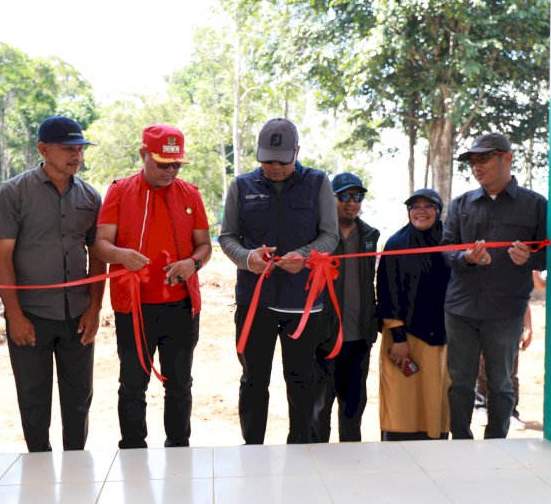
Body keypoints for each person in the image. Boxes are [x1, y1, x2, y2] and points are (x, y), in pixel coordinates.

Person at [219, 117, 339, 444]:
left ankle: (300, 447)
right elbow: (227, 236)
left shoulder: (317, 183)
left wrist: (306, 254)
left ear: (296, 152)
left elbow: (330, 235)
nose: (273, 167)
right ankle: (252, 446)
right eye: (267, 160)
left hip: (303, 303)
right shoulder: (241, 186)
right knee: (253, 379)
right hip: (254, 301)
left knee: (301, 378)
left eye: (282, 161)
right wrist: (247, 259)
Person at [92, 124, 211, 449]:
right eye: (162, 163)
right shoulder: (119, 191)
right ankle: (132, 449)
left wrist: (192, 264)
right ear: (143, 154)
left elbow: (204, 246)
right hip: (133, 308)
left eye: (176, 164)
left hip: (181, 306)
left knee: (180, 384)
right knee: (132, 383)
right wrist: (121, 255)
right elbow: (101, 244)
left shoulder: (191, 194)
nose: (170, 171)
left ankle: (178, 446)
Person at [0, 115, 104, 452]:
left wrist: (95, 308)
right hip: (31, 316)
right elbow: (2, 259)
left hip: (78, 316)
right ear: (43, 149)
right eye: (68, 149)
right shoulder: (13, 193)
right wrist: (15, 316)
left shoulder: (91, 197)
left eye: (80, 149)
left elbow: (98, 257)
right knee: (33, 399)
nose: (77, 156)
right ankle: (39, 464)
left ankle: (76, 464)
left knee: (79, 398)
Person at [442, 132, 547, 440]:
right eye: (472, 161)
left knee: (501, 383)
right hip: (460, 310)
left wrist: (529, 258)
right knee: (460, 382)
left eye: (483, 159)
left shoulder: (535, 205)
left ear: (507, 158)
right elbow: (445, 250)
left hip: (505, 311)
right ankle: (460, 440)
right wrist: (466, 257)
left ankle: (497, 444)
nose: (476, 167)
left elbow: (550, 254)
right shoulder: (461, 204)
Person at [376, 188, 451, 441]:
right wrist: (398, 337)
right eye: (414, 206)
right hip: (403, 339)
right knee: (402, 399)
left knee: (434, 395)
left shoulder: (450, 243)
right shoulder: (396, 244)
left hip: (440, 338)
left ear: (438, 211)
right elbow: (387, 291)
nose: (421, 211)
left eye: (428, 206)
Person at [311, 172, 379, 443]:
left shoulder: (370, 236)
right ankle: (318, 465)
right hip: (324, 339)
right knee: (319, 408)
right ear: (332, 199)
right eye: (344, 196)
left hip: (360, 338)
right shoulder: (317, 237)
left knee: (354, 407)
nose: (352, 203)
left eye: (357, 196)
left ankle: (352, 466)